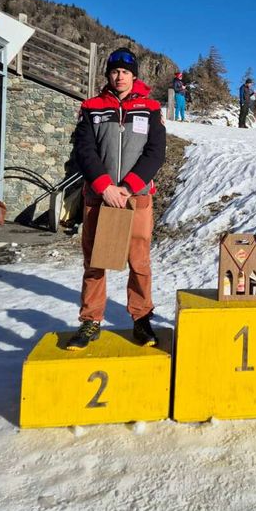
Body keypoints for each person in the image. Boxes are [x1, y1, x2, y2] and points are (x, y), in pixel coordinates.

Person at [66, 47, 166, 350]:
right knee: (95, 262)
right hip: (100, 197)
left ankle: (141, 319)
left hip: (136, 198)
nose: (119, 76)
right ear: (108, 75)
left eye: (125, 72)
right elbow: (84, 150)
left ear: (134, 76)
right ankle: (91, 321)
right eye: (114, 71)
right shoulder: (92, 107)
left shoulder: (150, 108)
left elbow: (155, 152)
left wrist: (128, 187)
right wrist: (105, 186)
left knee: (139, 261)